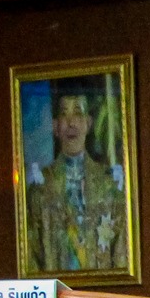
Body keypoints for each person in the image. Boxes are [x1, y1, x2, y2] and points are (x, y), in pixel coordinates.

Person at [26, 84, 128, 272]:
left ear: (88, 123)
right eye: (64, 114)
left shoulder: (109, 186)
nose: (71, 122)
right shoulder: (41, 189)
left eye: (78, 113)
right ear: (56, 126)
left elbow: (122, 255)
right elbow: (31, 259)